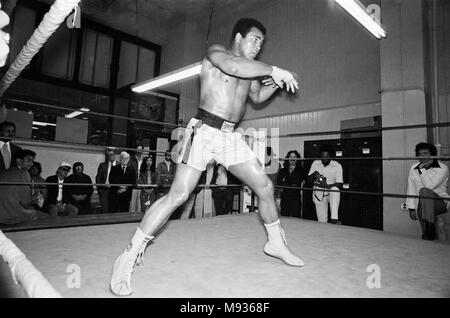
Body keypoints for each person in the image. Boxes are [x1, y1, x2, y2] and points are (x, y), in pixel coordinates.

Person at [110, 17, 303, 296]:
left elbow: (257, 96)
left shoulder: (251, 72)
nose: (258, 46)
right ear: (238, 37)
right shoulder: (217, 53)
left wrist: (275, 82)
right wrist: (275, 69)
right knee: (178, 195)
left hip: (230, 136)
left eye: (262, 43)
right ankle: (129, 254)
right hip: (203, 130)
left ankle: (275, 242)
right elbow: (232, 66)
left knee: (265, 187)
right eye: (254, 39)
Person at [407, 143, 449, 240]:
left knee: (424, 191)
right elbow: (411, 187)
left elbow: (429, 186)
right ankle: (428, 233)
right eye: (420, 153)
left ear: (433, 154)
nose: (422, 156)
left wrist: (422, 170)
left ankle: (429, 228)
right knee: (426, 233)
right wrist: (411, 208)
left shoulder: (442, 168)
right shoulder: (414, 167)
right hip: (422, 203)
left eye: (425, 153)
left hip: (440, 202)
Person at [0, 149, 47, 225]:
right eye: (28, 160)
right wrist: (34, 199)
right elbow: (25, 202)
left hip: (2, 213)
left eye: (32, 161)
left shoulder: (4, 172)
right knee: (45, 215)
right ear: (18, 161)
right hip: (11, 215)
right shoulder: (24, 173)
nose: (32, 164)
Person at [307, 144, 343, 224]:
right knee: (322, 221)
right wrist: (314, 174)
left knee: (335, 190)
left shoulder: (337, 165)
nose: (324, 159)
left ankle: (334, 218)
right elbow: (308, 180)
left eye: (326, 156)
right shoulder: (315, 163)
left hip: (331, 190)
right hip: (319, 192)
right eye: (322, 156)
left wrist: (326, 186)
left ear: (331, 156)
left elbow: (339, 183)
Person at [277, 150, 306, 218]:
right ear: (288, 158)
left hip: (296, 196)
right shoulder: (282, 170)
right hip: (284, 196)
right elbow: (279, 182)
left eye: (294, 157)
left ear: (297, 159)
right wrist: (292, 182)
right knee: (284, 216)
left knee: (296, 216)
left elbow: (298, 182)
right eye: (290, 156)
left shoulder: (301, 171)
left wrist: (285, 181)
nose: (292, 158)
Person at [96, 148, 118, 213]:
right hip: (104, 190)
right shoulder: (102, 165)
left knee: (113, 209)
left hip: (115, 190)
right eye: (109, 155)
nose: (111, 156)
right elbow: (98, 178)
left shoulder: (119, 165)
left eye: (112, 154)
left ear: (115, 155)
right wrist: (99, 190)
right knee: (104, 209)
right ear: (107, 156)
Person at [129, 145, 145, 213]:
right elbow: (129, 172)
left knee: (140, 203)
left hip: (142, 184)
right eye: (138, 149)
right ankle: (131, 219)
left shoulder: (144, 160)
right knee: (132, 203)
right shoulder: (131, 159)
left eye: (141, 150)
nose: (139, 151)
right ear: (136, 150)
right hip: (134, 183)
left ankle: (138, 219)